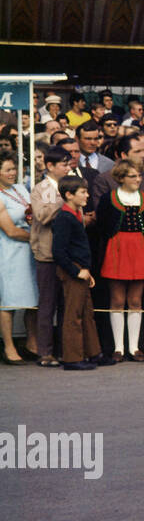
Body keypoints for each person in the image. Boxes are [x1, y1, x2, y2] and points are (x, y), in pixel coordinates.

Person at [95, 159, 144, 361]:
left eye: (139, 176)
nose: (137, 179)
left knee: (136, 300)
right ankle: (118, 348)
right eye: (132, 176)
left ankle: (134, 346)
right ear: (121, 178)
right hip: (117, 248)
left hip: (141, 247)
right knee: (117, 300)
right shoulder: (108, 198)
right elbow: (102, 226)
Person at [51, 176, 105, 370]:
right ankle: (72, 358)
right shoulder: (64, 218)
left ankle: (93, 352)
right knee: (73, 315)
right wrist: (75, 271)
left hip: (82, 270)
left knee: (87, 313)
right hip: (73, 271)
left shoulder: (75, 214)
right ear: (68, 194)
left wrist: (86, 271)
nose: (87, 195)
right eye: (82, 192)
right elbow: (58, 251)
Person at [29, 146, 73, 367]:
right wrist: (63, 199)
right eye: (63, 164)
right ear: (50, 166)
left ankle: (68, 350)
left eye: (68, 163)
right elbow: (42, 215)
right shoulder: (41, 188)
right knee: (48, 304)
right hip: (47, 254)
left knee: (68, 305)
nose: (68, 168)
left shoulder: (72, 185)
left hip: (68, 254)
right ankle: (45, 352)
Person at [0, 150, 38, 363]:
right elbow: (11, 231)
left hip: (29, 251)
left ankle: (32, 342)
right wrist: (37, 238)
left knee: (33, 298)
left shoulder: (21, 188)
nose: (13, 173)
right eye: (7, 170)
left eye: (14, 168)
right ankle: (8, 347)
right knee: (10, 301)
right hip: (9, 251)